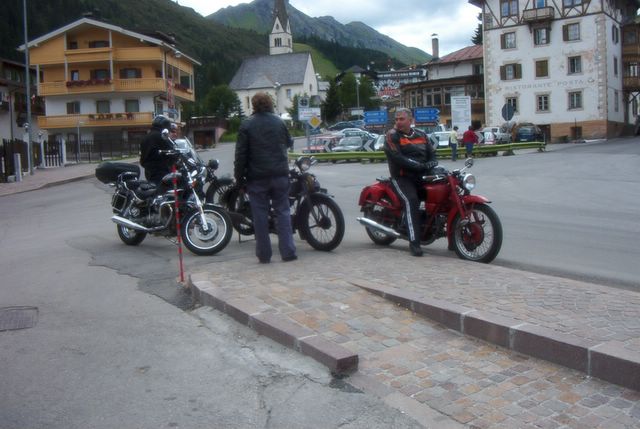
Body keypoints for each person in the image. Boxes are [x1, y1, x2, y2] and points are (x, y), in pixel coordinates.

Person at [234, 92, 297, 264]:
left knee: (260, 216)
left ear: (254, 105)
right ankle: (288, 252)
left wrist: (239, 179)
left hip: (257, 178)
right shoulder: (279, 122)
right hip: (280, 175)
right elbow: (289, 142)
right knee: (283, 212)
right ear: (270, 104)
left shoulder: (247, 125)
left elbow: (240, 156)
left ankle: (264, 255)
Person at [384, 107, 438, 257]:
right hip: (402, 177)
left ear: (411, 120)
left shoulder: (421, 134)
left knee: (442, 194)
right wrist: (418, 166)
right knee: (412, 201)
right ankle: (414, 243)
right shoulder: (392, 135)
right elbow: (397, 157)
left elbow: (432, 154)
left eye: (402, 119)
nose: (398, 122)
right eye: (396, 119)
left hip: (422, 176)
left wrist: (432, 163)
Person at [140, 115, 176, 185]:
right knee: (165, 188)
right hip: (160, 170)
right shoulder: (160, 136)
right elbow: (170, 149)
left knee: (154, 188)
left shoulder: (146, 137)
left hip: (148, 170)